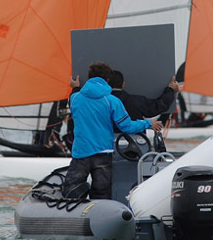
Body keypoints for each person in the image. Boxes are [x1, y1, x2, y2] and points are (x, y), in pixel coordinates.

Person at [62, 62, 163, 200]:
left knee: (70, 191)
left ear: (89, 77)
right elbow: (127, 127)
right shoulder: (112, 101)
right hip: (103, 153)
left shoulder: (74, 98)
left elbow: (74, 96)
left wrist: (75, 87)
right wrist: (148, 123)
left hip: (81, 153)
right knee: (101, 194)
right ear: (107, 79)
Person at [108, 70, 180, 121]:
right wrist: (170, 90)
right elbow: (159, 105)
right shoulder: (136, 101)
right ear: (123, 84)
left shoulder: (100, 102)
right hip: (134, 139)